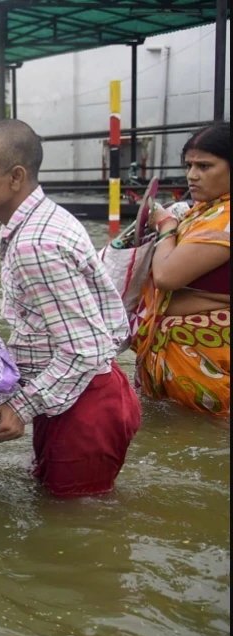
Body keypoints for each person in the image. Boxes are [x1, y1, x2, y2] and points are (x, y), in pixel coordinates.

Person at [0, 118, 141, 497]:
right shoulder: (41, 222)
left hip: (85, 405)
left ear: (15, 177)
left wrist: (20, 408)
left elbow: (84, 349)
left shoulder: (35, 245)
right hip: (74, 395)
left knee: (75, 524)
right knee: (62, 508)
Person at [133, 121, 230, 418]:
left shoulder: (225, 220)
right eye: (189, 165)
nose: (192, 175)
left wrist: (166, 226)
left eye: (204, 166)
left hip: (209, 369)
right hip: (182, 369)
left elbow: (166, 276)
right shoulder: (202, 211)